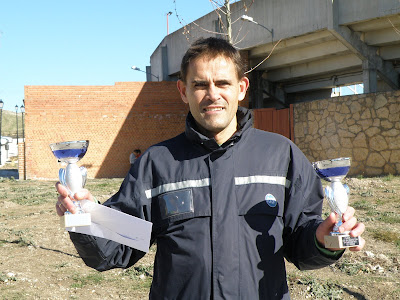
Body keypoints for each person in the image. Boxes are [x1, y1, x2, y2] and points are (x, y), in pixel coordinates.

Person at [56, 37, 365, 299]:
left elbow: (300, 239)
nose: (212, 94)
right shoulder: (157, 162)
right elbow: (119, 247)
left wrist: (323, 238)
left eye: (223, 83)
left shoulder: (281, 155)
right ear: (183, 91)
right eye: (200, 84)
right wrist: (85, 218)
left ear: (242, 88)